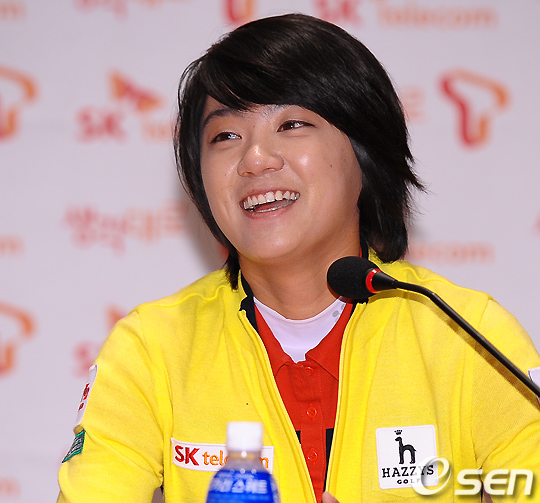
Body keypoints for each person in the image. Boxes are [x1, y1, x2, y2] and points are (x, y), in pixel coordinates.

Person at [57, 13, 540, 503]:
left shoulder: (467, 335)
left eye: (291, 124)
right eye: (225, 136)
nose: (254, 159)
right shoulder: (153, 349)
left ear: (365, 154)